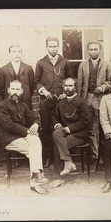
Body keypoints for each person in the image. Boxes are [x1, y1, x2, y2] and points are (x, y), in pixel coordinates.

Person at [0, 80, 49, 194]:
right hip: (9, 138)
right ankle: (36, 179)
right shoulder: (1, 106)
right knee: (34, 148)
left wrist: (35, 124)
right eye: (13, 89)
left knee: (35, 140)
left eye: (18, 89)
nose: (15, 92)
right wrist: (28, 131)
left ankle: (35, 177)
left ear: (22, 91)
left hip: (24, 135)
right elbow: (8, 125)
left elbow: (33, 117)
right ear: (8, 90)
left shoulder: (23, 105)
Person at [34, 36, 72, 168]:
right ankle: (47, 156)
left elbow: (69, 80)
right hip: (46, 101)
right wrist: (44, 91)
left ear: (58, 47)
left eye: (55, 46)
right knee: (45, 128)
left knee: (60, 127)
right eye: (50, 46)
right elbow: (36, 81)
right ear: (46, 47)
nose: (53, 48)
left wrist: (64, 93)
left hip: (61, 100)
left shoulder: (65, 62)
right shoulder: (41, 63)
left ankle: (61, 157)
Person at [77, 41, 111, 162]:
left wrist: (102, 87)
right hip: (87, 98)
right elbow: (80, 84)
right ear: (88, 51)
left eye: (96, 49)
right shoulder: (83, 65)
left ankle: (104, 155)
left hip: (101, 98)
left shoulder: (106, 65)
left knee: (103, 126)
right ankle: (94, 154)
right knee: (90, 127)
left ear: (100, 50)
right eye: (91, 49)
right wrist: (80, 101)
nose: (93, 51)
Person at [52, 78, 91, 175]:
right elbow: (53, 114)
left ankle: (58, 177)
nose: (68, 88)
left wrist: (70, 128)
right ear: (63, 87)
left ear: (75, 88)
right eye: (66, 86)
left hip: (79, 134)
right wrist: (57, 123)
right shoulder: (62, 102)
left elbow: (85, 121)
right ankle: (68, 162)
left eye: (70, 86)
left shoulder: (82, 102)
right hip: (64, 132)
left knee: (57, 146)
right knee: (56, 133)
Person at [0, 44, 34, 109]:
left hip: (25, 101)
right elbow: (1, 88)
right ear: (9, 54)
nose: (17, 54)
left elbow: (31, 87)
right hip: (9, 102)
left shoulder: (29, 68)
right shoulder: (3, 70)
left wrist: (26, 95)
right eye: (14, 52)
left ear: (21, 53)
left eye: (19, 51)